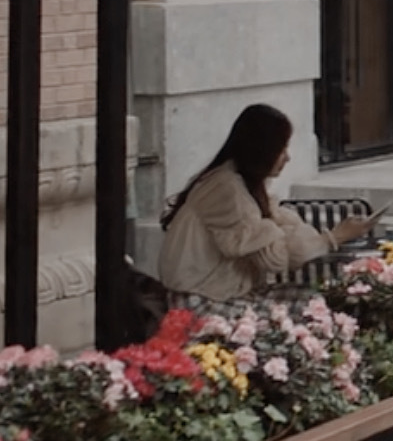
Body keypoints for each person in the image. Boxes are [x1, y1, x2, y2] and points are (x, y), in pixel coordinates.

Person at [159, 105, 373, 303]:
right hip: (200, 300)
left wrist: (289, 232)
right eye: (281, 149)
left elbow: (279, 230)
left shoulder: (241, 183)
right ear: (261, 150)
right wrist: (335, 237)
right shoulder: (227, 190)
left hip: (224, 293)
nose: (287, 158)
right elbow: (276, 260)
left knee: (321, 299)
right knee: (316, 308)